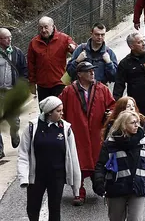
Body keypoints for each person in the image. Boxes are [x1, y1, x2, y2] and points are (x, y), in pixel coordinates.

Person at [59, 61, 116, 205]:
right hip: (77, 133)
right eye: (88, 71)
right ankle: (79, 193)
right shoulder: (68, 91)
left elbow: (112, 105)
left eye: (92, 70)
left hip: (96, 133)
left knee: (98, 160)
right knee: (77, 162)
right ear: (79, 74)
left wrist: (109, 114)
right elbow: (60, 109)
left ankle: (99, 185)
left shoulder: (102, 89)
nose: (92, 73)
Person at [92, 110, 145, 221]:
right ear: (123, 125)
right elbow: (101, 165)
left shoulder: (144, 142)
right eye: (133, 123)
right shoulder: (110, 143)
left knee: (135, 218)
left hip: (138, 187)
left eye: (137, 122)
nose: (137, 125)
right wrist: (99, 183)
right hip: (116, 188)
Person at [18, 96, 81, 221]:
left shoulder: (66, 128)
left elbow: (73, 157)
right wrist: (23, 177)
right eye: (58, 111)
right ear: (49, 112)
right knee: (32, 208)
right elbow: (23, 153)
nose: (62, 113)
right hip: (37, 176)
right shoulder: (32, 127)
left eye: (62, 110)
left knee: (55, 209)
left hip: (57, 176)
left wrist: (76, 185)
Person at [27, 16, 76, 99]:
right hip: (42, 84)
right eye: (41, 28)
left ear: (53, 26)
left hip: (59, 82)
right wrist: (32, 82)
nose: (43, 30)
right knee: (44, 106)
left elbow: (75, 50)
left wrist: (72, 48)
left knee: (59, 106)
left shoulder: (63, 38)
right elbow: (30, 63)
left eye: (46, 27)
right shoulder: (34, 43)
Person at [0, 27, 28, 157]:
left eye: (10, 37)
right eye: (6, 38)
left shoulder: (17, 52)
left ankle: (14, 132)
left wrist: (23, 85)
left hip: (12, 91)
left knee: (14, 120)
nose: (9, 39)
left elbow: (24, 70)